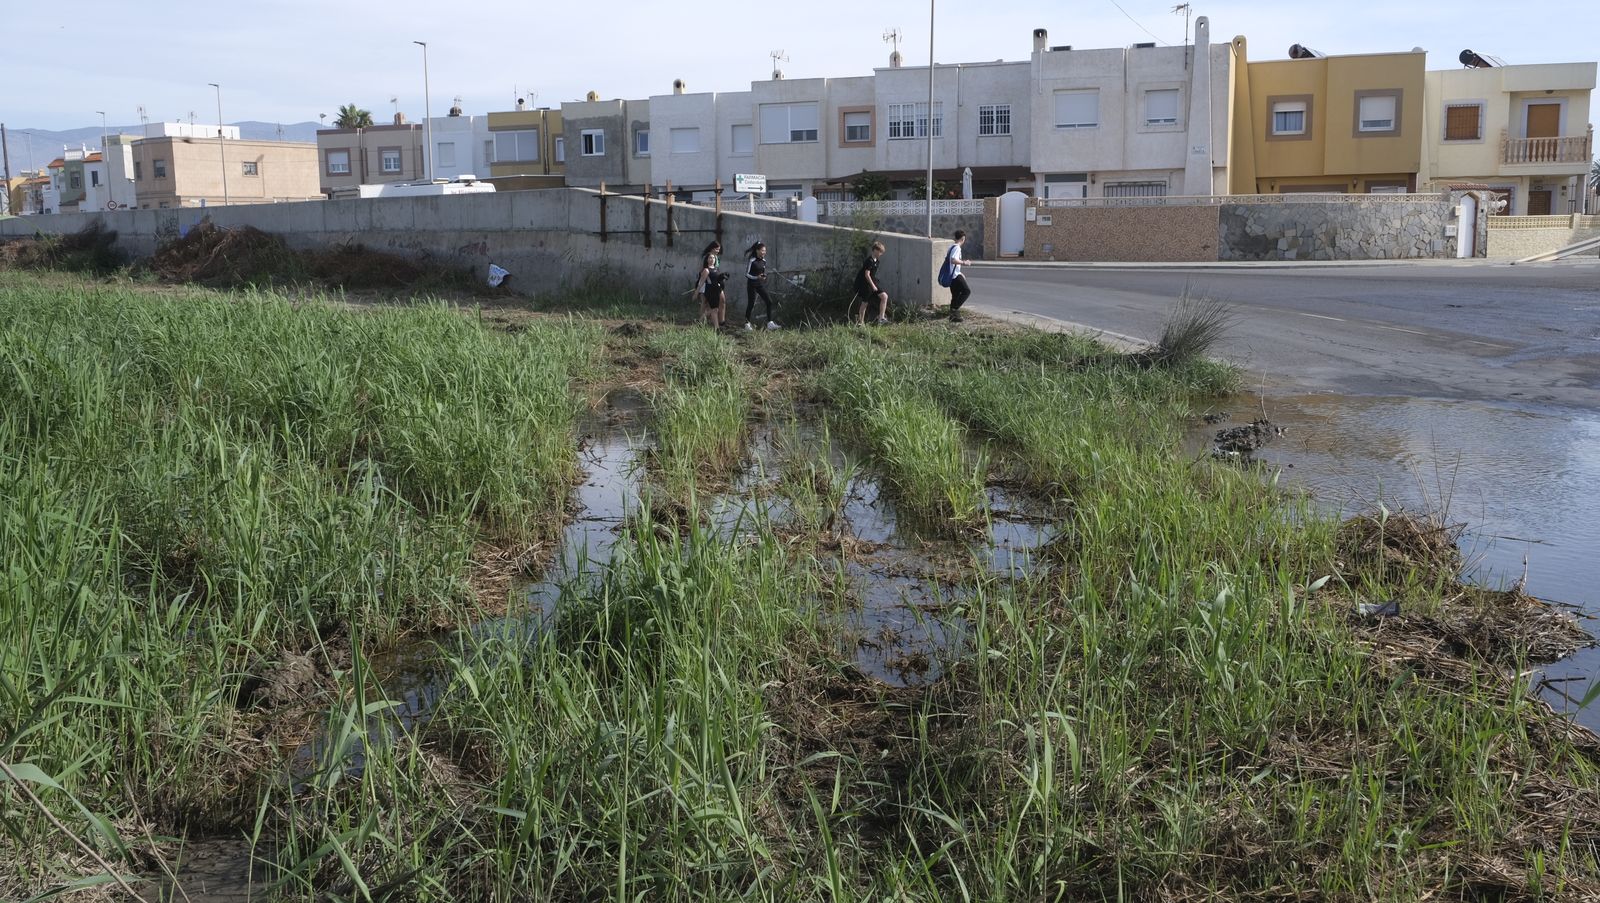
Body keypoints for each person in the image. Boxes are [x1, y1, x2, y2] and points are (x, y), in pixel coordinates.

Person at [743, 241, 780, 331]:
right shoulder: (752, 260)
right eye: (762, 250)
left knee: (769, 301)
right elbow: (747, 274)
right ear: (757, 251)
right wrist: (756, 277)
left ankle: (770, 323)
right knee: (751, 304)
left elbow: (762, 273)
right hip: (752, 285)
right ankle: (747, 324)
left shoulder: (764, 261)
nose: (764, 252)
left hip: (760, 285)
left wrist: (763, 277)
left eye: (765, 251)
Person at [852, 240, 889, 326]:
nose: (881, 254)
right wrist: (872, 285)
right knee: (865, 303)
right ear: (875, 250)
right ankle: (861, 323)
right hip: (865, 284)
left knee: (884, 296)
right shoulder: (869, 261)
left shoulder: (877, 261)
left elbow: (872, 275)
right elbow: (867, 274)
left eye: (882, 252)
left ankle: (881, 318)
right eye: (880, 251)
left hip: (872, 283)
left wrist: (875, 283)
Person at [945, 230, 975, 324]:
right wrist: (964, 262)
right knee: (966, 291)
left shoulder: (951, 247)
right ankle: (954, 310)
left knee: (955, 295)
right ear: (963, 239)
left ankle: (953, 317)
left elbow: (950, 262)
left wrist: (960, 272)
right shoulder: (957, 247)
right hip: (954, 275)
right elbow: (953, 260)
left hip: (952, 275)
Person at [696, 241, 726, 329]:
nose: (718, 251)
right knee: (705, 302)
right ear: (712, 248)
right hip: (707, 283)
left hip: (716, 284)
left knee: (721, 301)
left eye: (719, 249)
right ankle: (702, 321)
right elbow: (702, 271)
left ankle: (721, 321)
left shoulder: (716, 258)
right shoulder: (706, 257)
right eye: (717, 249)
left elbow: (716, 269)